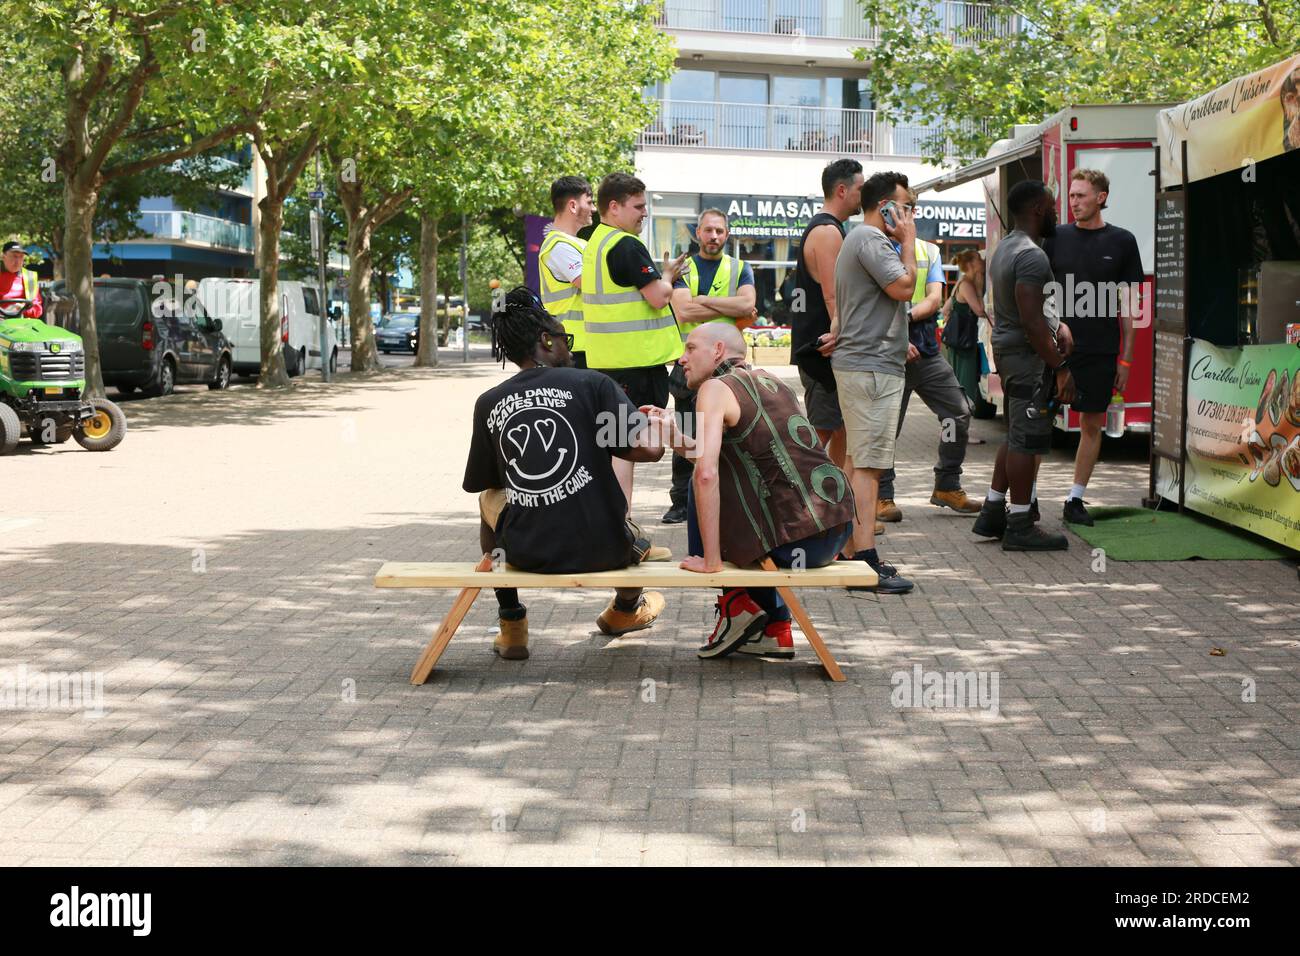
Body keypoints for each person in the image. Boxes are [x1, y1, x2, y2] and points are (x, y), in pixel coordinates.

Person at [463, 289, 668, 660]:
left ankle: (511, 625)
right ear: (545, 340)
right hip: (607, 549)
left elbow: (487, 482)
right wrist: (650, 423)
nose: (570, 349)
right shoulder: (594, 384)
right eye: (564, 339)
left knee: (487, 500)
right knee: (629, 528)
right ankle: (625, 610)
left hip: (529, 551)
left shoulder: (489, 401)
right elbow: (650, 452)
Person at [645, 323, 855, 659]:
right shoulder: (772, 382)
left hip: (799, 539)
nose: (681, 359)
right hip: (834, 530)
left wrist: (712, 562)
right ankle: (776, 628)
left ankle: (735, 606)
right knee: (745, 485)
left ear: (717, 351)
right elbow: (722, 455)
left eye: (690, 348)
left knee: (705, 481)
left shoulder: (713, 389)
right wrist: (671, 434)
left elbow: (706, 472)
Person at [825, 171, 919, 594]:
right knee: (868, 466)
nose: (911, 215)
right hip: (872, 367)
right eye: (906, 207)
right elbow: (903, 286)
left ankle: (847, 549)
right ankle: (864, 561)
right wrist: (910, 241)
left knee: (856, 461)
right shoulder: (872, 240)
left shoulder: (858, 240)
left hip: (866, 364)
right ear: (885, 208)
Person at [972, 179, 1076, 551]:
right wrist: (1060, 367)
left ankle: (994, 511)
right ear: (1037, 209)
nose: (1056, 213)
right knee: (1026, 440)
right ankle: (1019, 525)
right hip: (1027, 358)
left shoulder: (1005, 248)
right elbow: (1030, 320)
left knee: (1016, 433)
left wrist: (1058, 324)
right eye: (1052, 206)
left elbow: (1028, 311)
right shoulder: (1032, 255)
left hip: (1012, 352)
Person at [875, 189, 983, 522]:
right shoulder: (872, 248)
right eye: (893, 208)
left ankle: (947, 485)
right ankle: (882, 496)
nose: (900, 214)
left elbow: (934, 300)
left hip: (925, 352)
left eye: (906, 208)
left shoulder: (927, 251)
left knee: (957, 412)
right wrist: (895, 337)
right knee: (886, 429)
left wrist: (904, 322)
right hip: (886, 355)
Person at [582, 172, 688, 511]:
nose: (644, 213)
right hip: (636, 365)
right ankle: (621, 531)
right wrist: (668, 275)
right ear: (614, 207)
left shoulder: (595, 242)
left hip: (607, 363)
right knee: (626, 449)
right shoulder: (626, 245)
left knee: (613, 446)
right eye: (638, 206)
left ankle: (615, 529)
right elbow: (658, 297)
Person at [1044, 168, 1143, 527]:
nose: (1074, 202)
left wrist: (1127, 360)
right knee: (1038, 421)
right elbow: (1038, 293)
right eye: (1071, 196)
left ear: (1100, 197)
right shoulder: (1053, 237)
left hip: (1101, 349)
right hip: (1056, 350)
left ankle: (1075, 499)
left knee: (1091, 424)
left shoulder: (1122, 242)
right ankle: (1028, 499)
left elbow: (1130, 306)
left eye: (1081, 195)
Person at [662, 207, 757, 524]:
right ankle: (681, 501)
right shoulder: (683, 267)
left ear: (726, 234)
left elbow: (748, 305)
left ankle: (731, 496)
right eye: (708, 230)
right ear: (697, 233)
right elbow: (684, 313)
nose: (713, 236)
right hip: (688, 363)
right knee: (687, 428)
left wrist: (701, 301)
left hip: (727, 363)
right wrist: (722, 307)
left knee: (732, 432)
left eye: (719, 231)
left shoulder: (740, 267)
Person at [791, 159, 863, 472]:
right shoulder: (827, 232)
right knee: (821, 430)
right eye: (861, 188)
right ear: (842, 190)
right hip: (824, 351)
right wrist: (845, 338)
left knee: (841, 427)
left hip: (825, 347)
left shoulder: (829, 228)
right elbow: (834, 296)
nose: (865, 195)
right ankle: (791, 501)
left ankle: (837, 501)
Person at [538, 176, 594, 368]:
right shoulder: (558, 246)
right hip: (574, 348)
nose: (593, 208)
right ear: (572, 205)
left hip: (587, 345)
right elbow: (591, 283)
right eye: (589, 202)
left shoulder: (579, 244)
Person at [940, 250, 993, 416]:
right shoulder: (967, 285)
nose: (983, 260)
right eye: (979, 259)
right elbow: (979, 310)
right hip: (964, 344)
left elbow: (946, 308)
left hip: (959, 343)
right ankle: (964, 431)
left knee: (959, 384)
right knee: (966, 385)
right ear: (971, 265)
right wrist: (979, 290)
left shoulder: (962, 282)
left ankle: (956, 428)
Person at [1, 242, 42, 318]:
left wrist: (21, 310)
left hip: (23, 324)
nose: (18, 261)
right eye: (14, 256)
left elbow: (37, 309)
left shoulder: (30, 277)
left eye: (21, 257)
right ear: (3, 257)